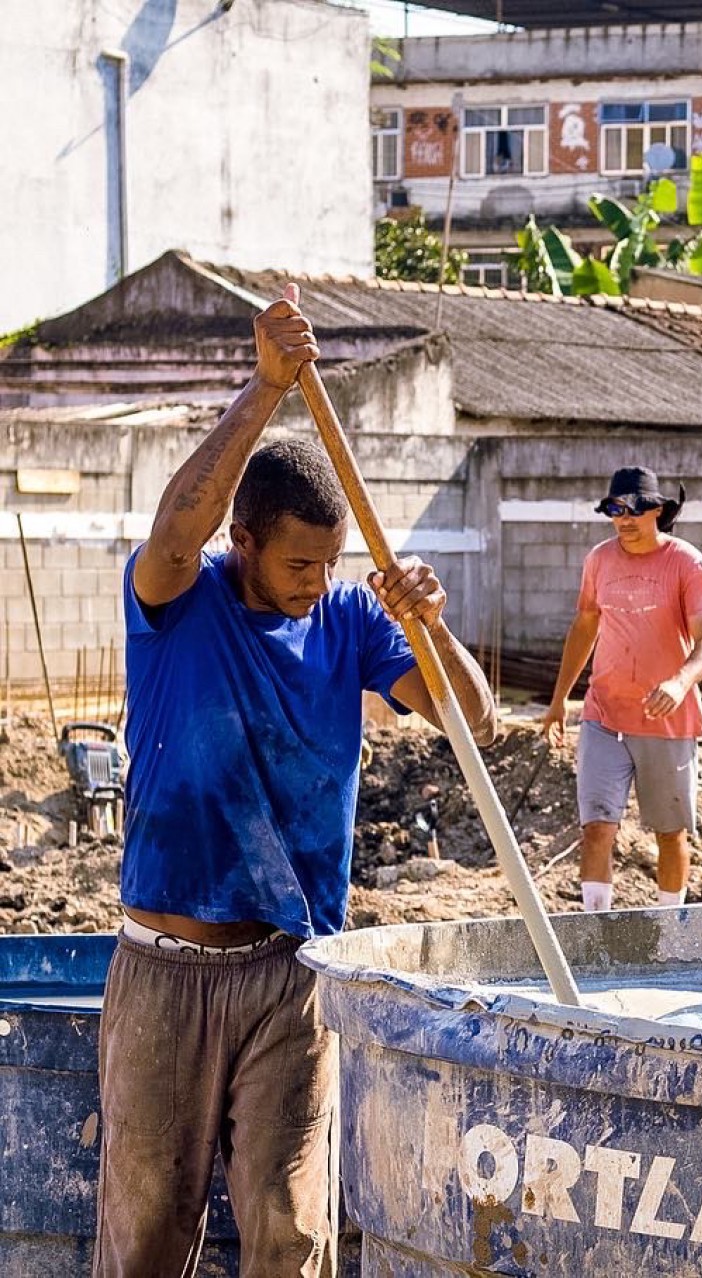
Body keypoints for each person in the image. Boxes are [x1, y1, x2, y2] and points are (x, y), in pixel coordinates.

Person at [98, 284, 498, 1276]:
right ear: (246, 545)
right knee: (149, 1225)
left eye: (328, 561)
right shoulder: (179, 602)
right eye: (297, 563)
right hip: (167, 964)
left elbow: (472, 718)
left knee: (292, 1222)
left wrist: (427, 624)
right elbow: (173, 529)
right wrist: (266, 391)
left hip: (295, 968)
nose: (315, 580)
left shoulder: (355, 622)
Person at [541, 468, 702, 911]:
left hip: (666, 720)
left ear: (657, 511)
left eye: (633, 510)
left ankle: (669, 930)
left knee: (669, 831)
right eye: (614, 510)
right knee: (597, 828)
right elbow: (585, 625)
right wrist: (559, 698)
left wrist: (680, 682)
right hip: (604, 714)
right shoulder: (599, 560)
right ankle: (595, 932)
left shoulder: (685, 563)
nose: (623, 519)